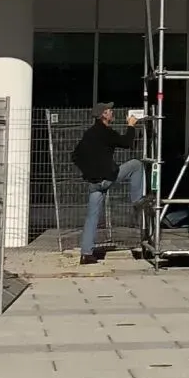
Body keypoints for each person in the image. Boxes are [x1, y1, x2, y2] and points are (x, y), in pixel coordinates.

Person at [71, 104, 123, 264]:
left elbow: (75, 156)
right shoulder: (105, 132)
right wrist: (131, 126)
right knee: (136, 165)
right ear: (103, 115)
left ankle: (86, 253)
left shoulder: (89, 133)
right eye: (109, 111)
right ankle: (139, 200)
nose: (112, 112)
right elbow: (127, 142)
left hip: (94, 182)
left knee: (92, 217)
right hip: (106, 178)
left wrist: (89, 172)